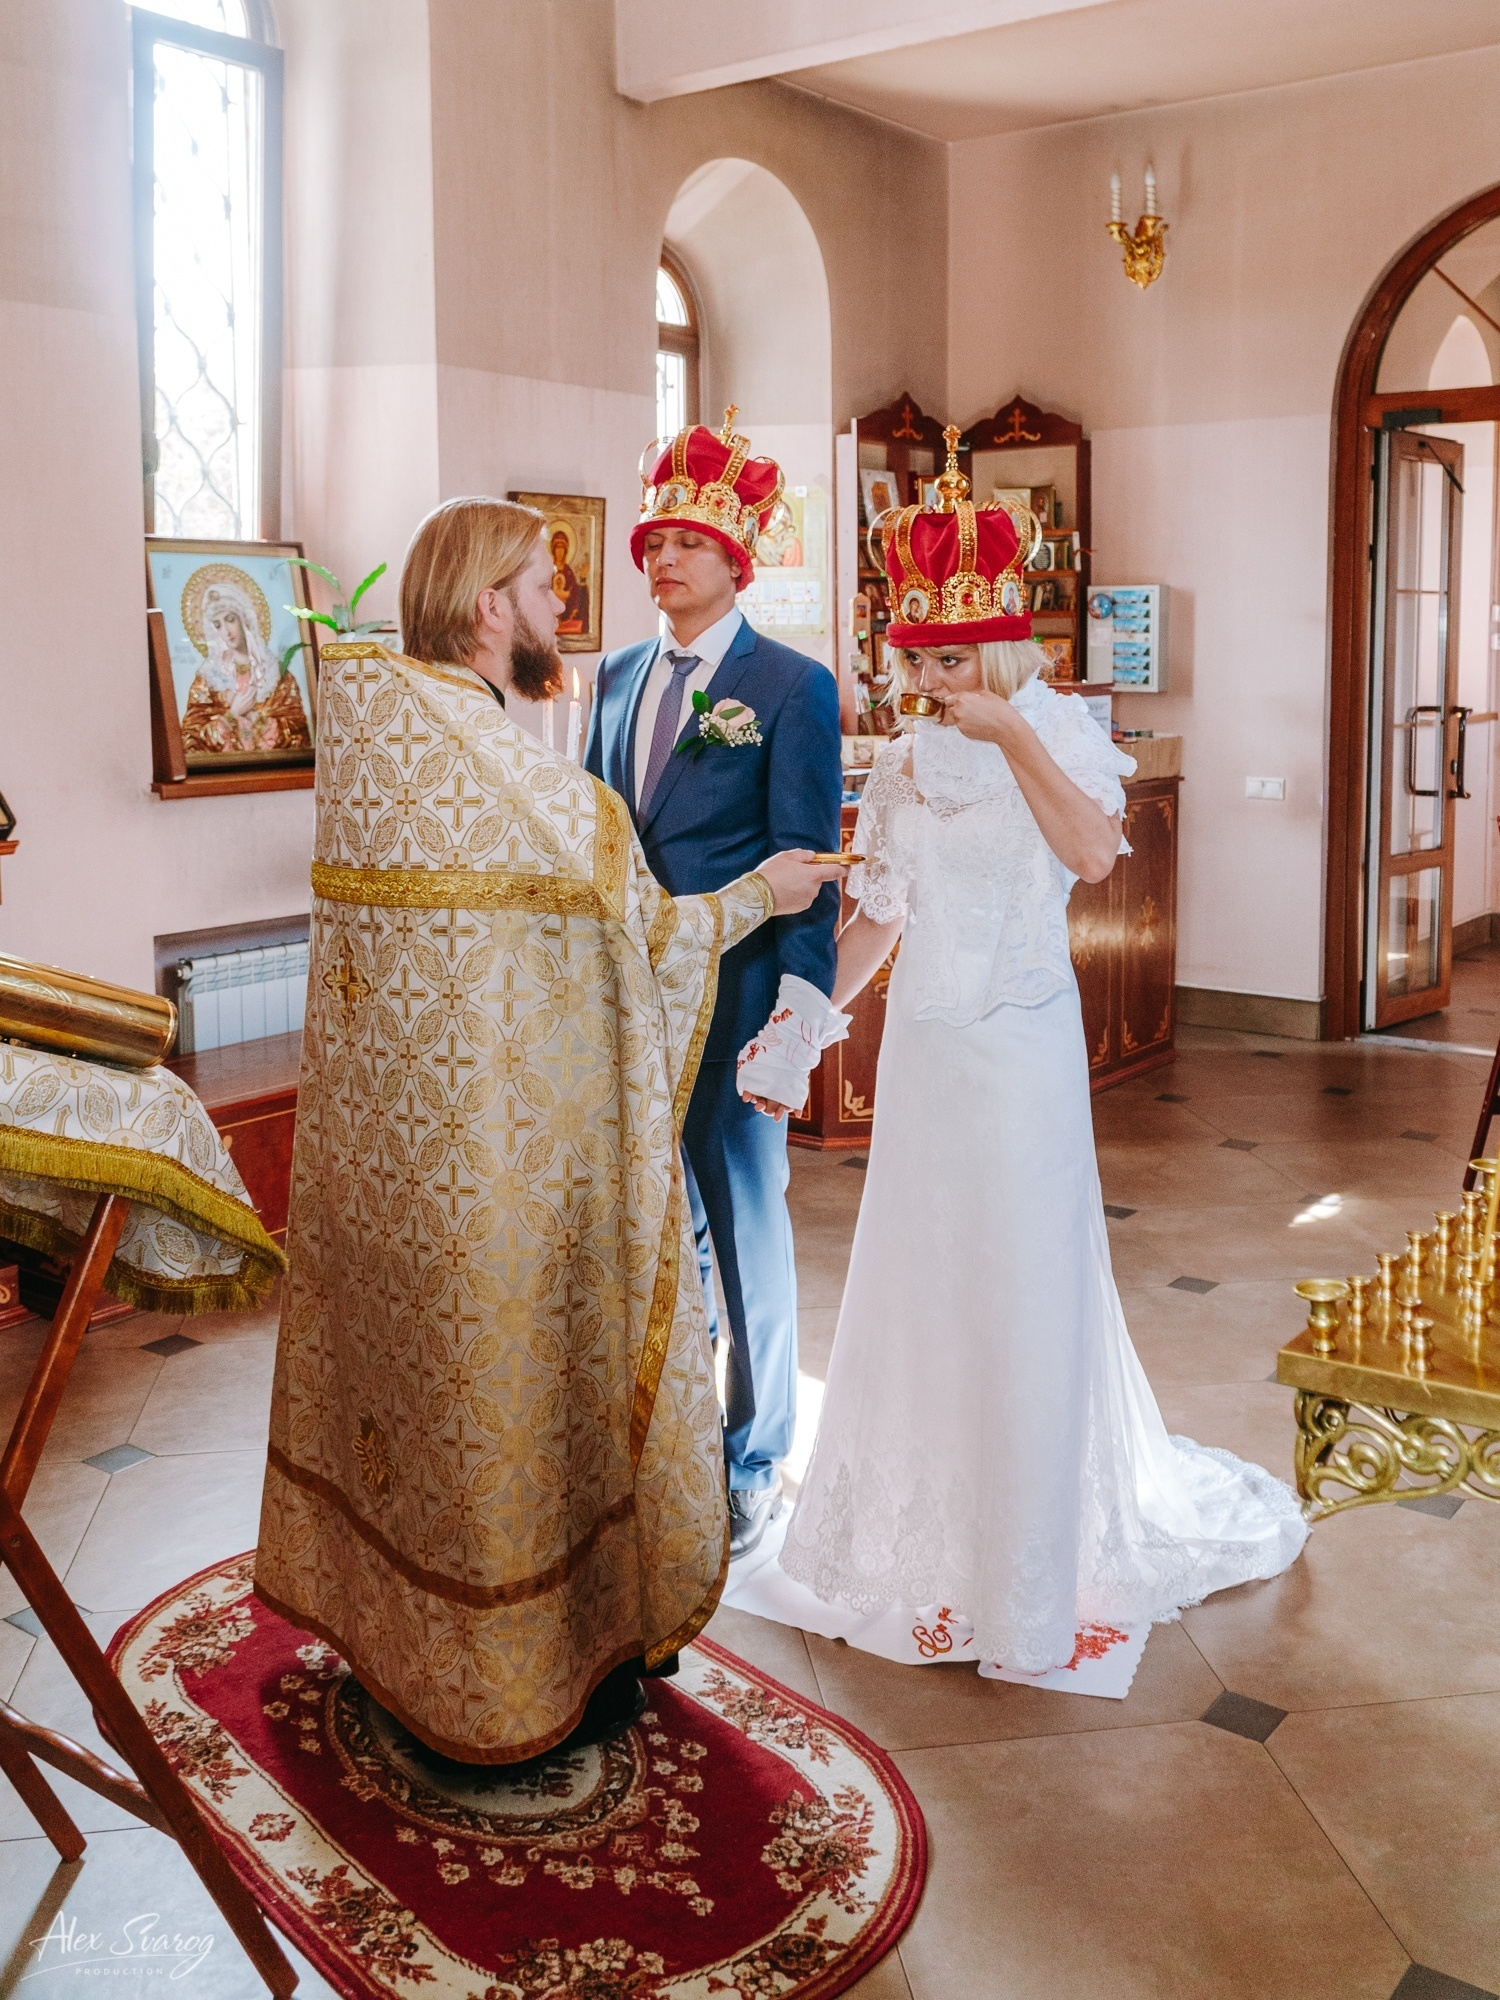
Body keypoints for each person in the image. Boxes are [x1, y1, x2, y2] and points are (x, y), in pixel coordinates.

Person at [255, 496, 842, 1762]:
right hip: (514, 1172)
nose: (563, 611)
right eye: (542, 586)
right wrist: (765, 891)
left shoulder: (384, 748)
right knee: (523, 1409)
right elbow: (640, 937)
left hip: (399, 1170)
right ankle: (528, 1663)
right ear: (488, 609)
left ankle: (394, 1630)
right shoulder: (538, 792)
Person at [731, 439, 1307, 1680]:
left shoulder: (1058, 731)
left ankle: (1030, 1570)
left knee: (1026, 1279)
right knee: (927, 1277)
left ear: (995, 649)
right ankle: (927, 1552)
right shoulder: (902, 755)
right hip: (933, 1056)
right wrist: (803, 1023)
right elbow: (880, 907)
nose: (930, 680)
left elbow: (1096, 854)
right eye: (918, 661)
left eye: (950, 660)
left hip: (1027, 1052)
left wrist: (1010, 733)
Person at [585, 409, 844, 1558]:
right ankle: (675, 1427)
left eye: (685, 542)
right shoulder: (615, 674)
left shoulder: (790, 686)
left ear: (734, 561)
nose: (661, 558)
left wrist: (797, 1011)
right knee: (656, 1224)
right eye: (651, 540)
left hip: (736, 997)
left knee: (745, 1228)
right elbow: (607, 836)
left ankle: (754, 1454)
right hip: (633, 997)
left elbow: (809, 862)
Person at [181, 577, 310, 756]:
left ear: (245, 621)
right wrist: (232, 715)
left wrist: (260, 720)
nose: (226, 631)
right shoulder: (207, 680)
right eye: (218, 625)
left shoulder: (278, 675)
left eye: (230, 619)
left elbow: (298, 731)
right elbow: (190, 741)